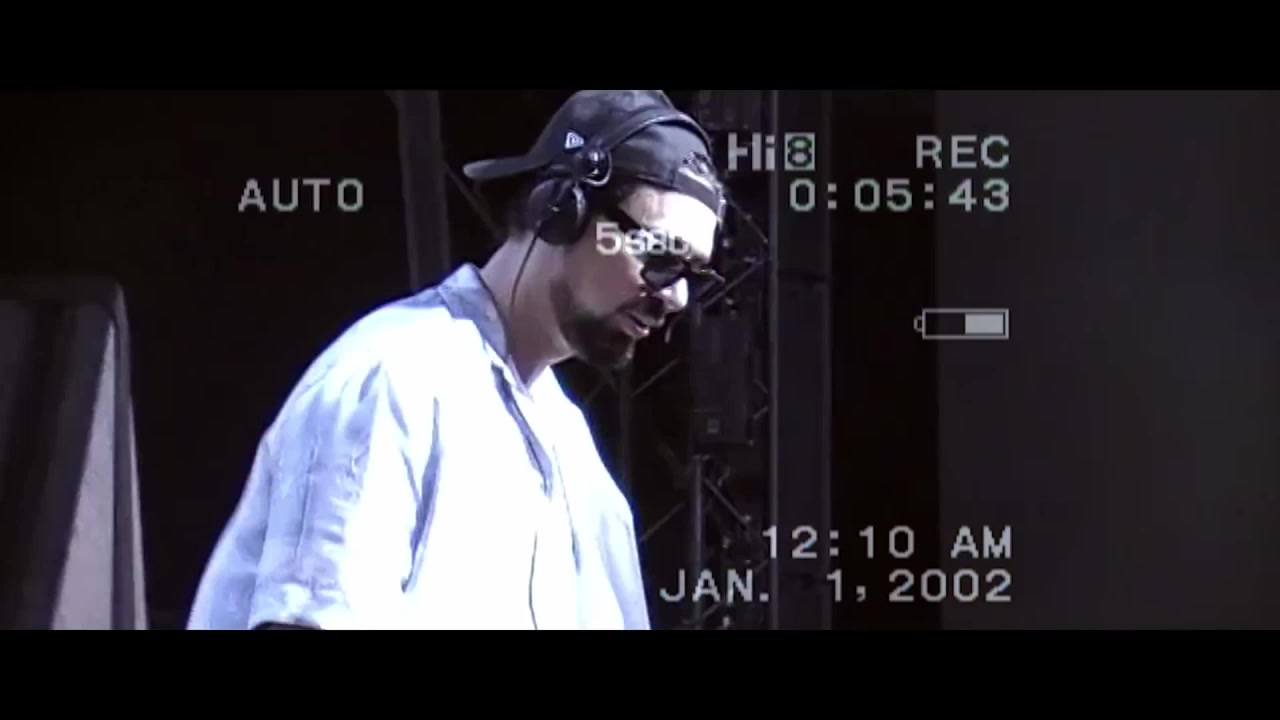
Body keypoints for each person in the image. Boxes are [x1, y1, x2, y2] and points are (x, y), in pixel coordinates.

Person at [185, 90, 726, 629]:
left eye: (692, 274)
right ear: (561, 211)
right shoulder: (396, 378)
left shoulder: (583, 471)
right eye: (660, 254)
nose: (676, 296)